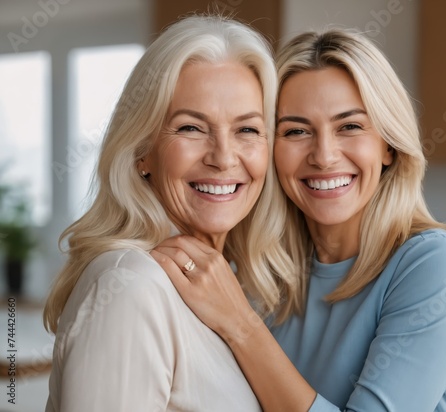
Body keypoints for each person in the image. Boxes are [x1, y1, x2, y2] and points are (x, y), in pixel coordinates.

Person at [152, 27, 446, 411]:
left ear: (388, 145)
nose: (324, 156)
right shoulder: (260, 275)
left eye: (350, 127)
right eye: (296, 131)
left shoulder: (436, 266)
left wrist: (241, 325)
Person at [42, 14, 297, 412]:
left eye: (247, 130)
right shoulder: (130, 287)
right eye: (191, 128)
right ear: (142, 150)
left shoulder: (230, 287)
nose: (224, 158)